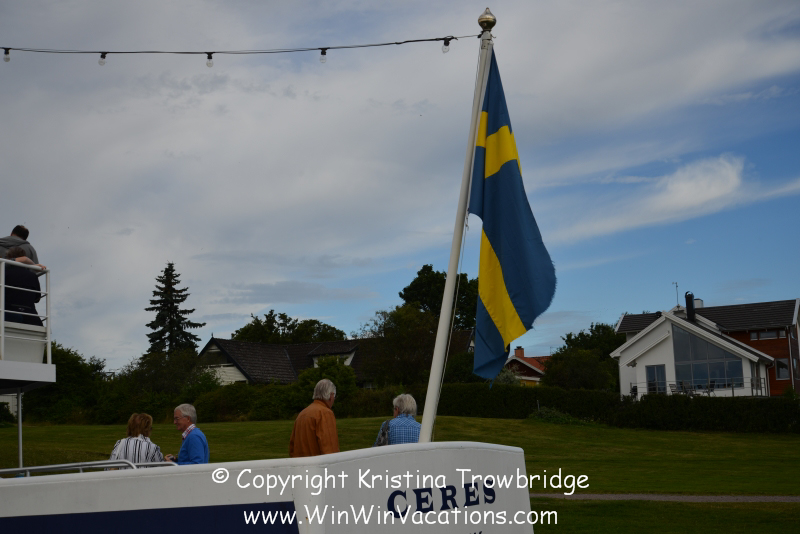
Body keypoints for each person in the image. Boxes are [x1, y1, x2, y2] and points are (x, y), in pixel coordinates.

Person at [289, 379, 340, 457]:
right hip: (318, 464)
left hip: (300, 463)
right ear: (331, 395)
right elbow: (330, 449)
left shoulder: (302, 414)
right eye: (334, 396)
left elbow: (292, 448)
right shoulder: (325, 413)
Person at [3, 247, 43, 326]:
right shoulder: (32, 275)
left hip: (8, 314)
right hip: (31, 317)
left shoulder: (4, 273)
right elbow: (37, 298)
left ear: (9, 257)